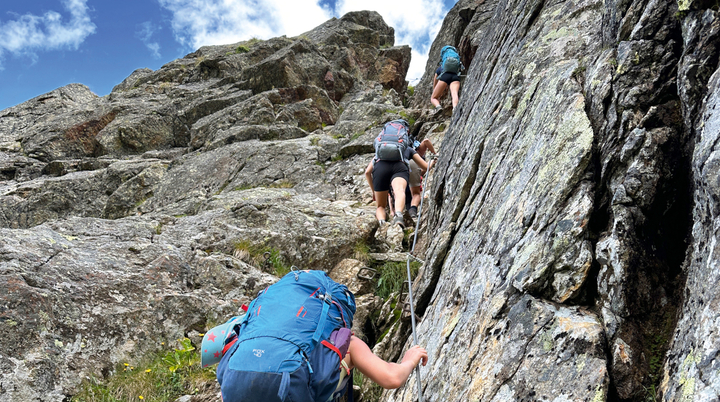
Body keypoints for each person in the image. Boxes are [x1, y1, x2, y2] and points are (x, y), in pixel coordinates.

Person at [365, 148, 429, 227]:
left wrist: (374, 191)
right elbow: (426, 166)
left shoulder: (381, 150)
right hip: (399, 167)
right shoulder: (407, 148)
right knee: (399, 191)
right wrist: (433, 162)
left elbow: (367, 172)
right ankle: (398, 216)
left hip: (380, 167)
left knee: (380, 206)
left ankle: (382, 224)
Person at [431, 46, 462, 112]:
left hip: (445, 77)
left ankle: (438, 107)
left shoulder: (441, 67)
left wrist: (435, 89)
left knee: (433, 98)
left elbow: (435, 78)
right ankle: (455, 108)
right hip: (455, 76)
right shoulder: (456, 60)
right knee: (454, 94)